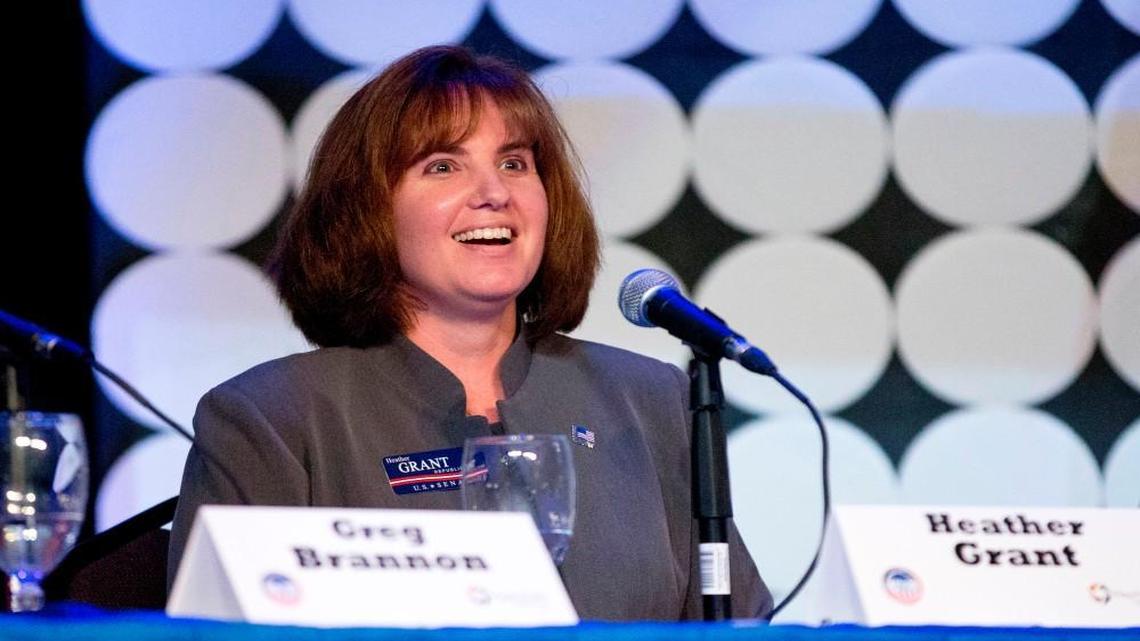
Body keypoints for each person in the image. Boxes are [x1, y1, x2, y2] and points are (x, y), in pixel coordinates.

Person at [168, 45, 772, 621]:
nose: (493, 195)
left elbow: (739, 620)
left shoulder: (650, 400)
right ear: (367, 207)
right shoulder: (271, 418)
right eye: (442, 166)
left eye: (515, 163)